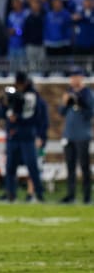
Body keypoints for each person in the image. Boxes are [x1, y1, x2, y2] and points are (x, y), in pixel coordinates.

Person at [0, 72, 45, 202]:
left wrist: (41, 135)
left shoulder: (32, 95)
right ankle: (10, 194)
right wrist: (5, 103)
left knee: (32, 166)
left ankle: (38, 193)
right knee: (10, 166)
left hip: (27, 134)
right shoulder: (13, 93)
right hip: (13, 135)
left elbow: (34, 116)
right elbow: (3, 112)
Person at [58, 67, 92, 204]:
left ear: (81, 77)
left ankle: (87, 196)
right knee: (70, 167)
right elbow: (61, 112)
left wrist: (79, 102)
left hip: (82, 135)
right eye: (71, 77)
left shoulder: (87, 93)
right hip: (69, 135)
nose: (73, 79)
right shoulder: (69, 92)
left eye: (76, 76)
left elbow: (89, 113)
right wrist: (65, 102)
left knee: (84, 166)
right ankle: (71, 195)